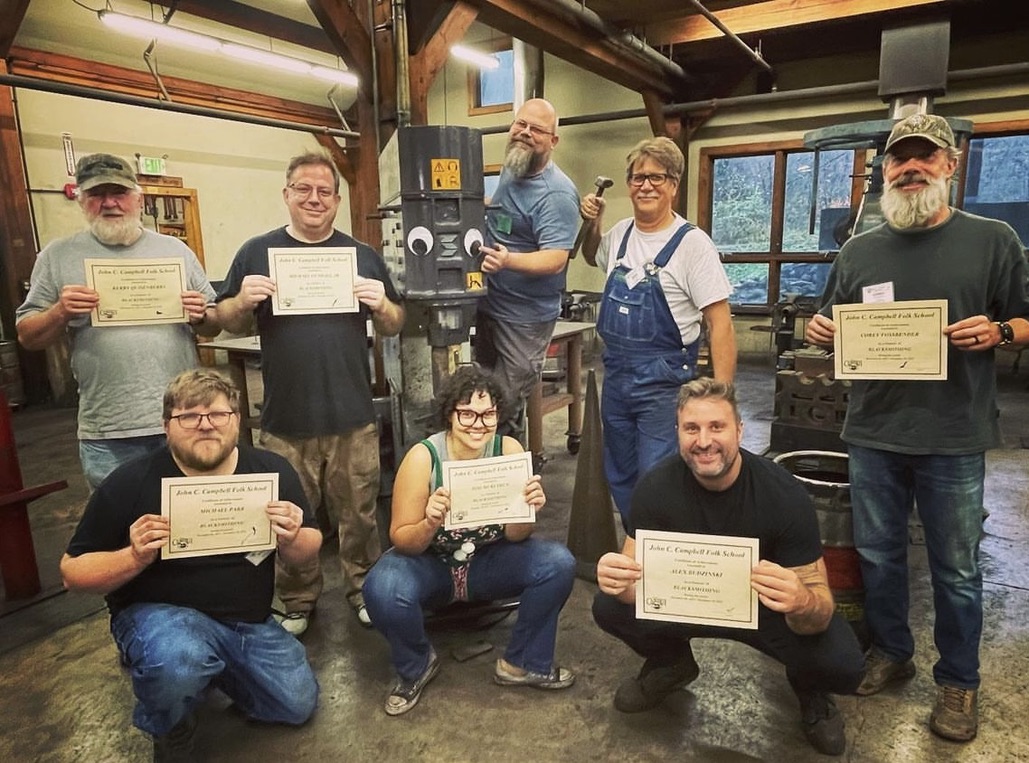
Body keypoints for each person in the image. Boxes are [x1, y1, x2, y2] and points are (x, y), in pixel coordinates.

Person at [804, 112, 1029, 742]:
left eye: (924, 157)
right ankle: (892, 651)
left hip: (953, 436)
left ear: (950, 166)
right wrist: (822, 331)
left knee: (956, 568)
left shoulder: (993, 240)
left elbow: (1025, 318)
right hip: (872, 430)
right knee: (879, 556)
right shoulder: (859, 249)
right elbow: (830, 323)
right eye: (899, 159)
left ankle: (959, 680)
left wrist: (1002, 332)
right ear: (884, 170)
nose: (910, 168)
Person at [593, 378, 864, 756]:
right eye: (692, 428)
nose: (704, 441)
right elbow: (630, 586)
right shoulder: (655, 488)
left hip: (763, 613)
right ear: (678, 433)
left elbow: (820, 605)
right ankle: (672, 664)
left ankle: (809, 687)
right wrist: (615, 578)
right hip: (686, 604)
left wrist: (802, 601)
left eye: (716, 427)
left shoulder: (783, 495)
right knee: (607, 606)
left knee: (843, 664)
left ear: (739, 430)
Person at [59, 369, 321, 761]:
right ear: (167, 426)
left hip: (245, 620)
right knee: (178, 660)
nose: (205, 425)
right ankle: (169, 721)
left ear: (236, 420)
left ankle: (202, 672)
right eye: (189, 416)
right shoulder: (130, 482)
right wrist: (133, 557)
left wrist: (293, 536)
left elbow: (308, 548)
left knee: (297, 705)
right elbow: (72, 572)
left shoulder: (270, 470)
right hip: (160, 615)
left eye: (217, 414)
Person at [215, 152, 404, 636]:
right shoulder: (256, 253)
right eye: (304, 189)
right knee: (289, 517)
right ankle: (298, 598)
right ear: (287, 194)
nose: (314, 199)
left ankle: (364, 588)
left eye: (324, 191)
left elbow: (396, 321)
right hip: (285, 417)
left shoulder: (361, 256)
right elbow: (226, 321)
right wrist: (242, 301)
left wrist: (381, 304)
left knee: (359, 513)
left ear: (337, 201)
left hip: (352, 414)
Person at [363, 364, 576, 716]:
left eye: (488, 413)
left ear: (498, 415)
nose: (478, 423)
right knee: (382, 587)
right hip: (431, 566)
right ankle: (417, 664)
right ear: (450, 414)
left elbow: (516, 536)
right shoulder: (423, 457)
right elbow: (402, 540)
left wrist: (526, 510)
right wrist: (430, 521)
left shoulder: (507, 449)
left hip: (487, 564)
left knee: (558, 563)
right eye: (467, 413)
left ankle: (521, 662)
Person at [16, 153, 219, 489]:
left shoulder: (175, 250)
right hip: (109, 428)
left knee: (189, 523)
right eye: (96, 195)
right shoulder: (57, 255)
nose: (109, 203)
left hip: (184, 418)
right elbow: (27, 335)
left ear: (138, 199)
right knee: (120, 527)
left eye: (119, 193)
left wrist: (200, 315)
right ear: (81, 201)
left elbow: (214, 325)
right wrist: (60, 311)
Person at [579, 136, 736, 527]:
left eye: (657, 177)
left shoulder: (692, 245)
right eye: (638, 177)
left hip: (664, 382)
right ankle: (639, 548)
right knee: (620, 473)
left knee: (658, 478)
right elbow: (590, 255)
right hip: (615, 375)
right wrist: (593, 224)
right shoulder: (619, 235)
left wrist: (723, 397)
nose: (646, 185)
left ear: (673, 185)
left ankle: (663, 558)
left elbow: (720, 323)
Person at [475, 98, 579, 448]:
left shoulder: (557, 193)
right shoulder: (515, 164)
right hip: (490, 304)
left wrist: (508, 261)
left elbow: (555, 258)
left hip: (524, 319)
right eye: (520, 124)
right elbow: (506, 214)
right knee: (481, 398)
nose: (524, 133)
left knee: (501, 404)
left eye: (536, 129)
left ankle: (507, 481)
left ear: (553, 141)